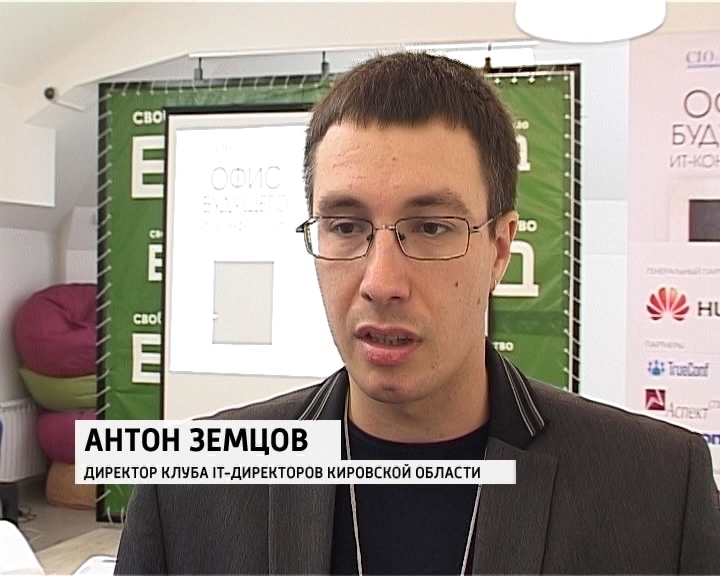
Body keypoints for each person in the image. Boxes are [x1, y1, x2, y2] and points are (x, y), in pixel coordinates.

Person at [114, 52, 720, 575]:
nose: (381, 283)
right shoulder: (187, 490)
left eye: (431, 227)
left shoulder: (657, 490)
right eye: (345, 227)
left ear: (499, 250)